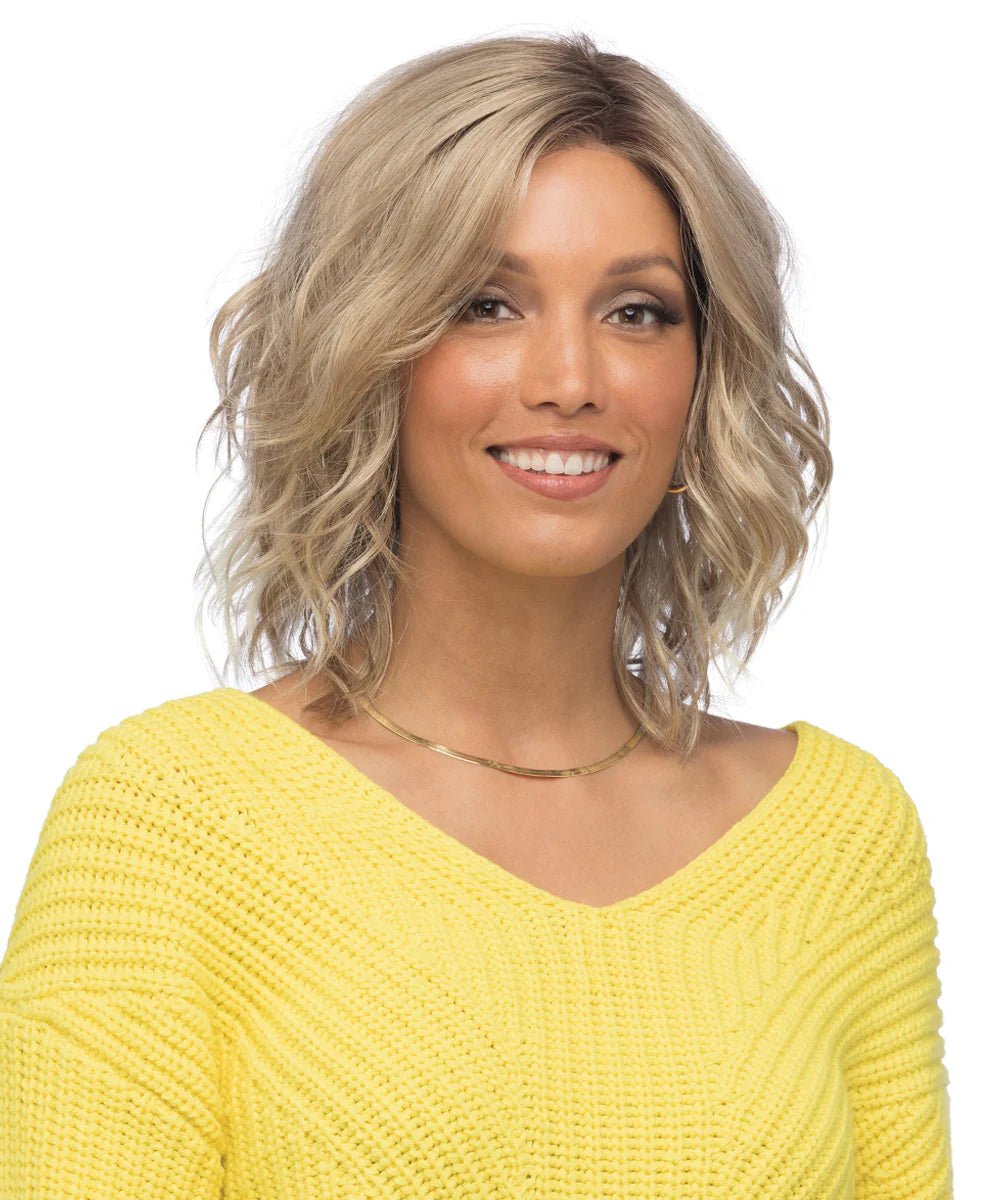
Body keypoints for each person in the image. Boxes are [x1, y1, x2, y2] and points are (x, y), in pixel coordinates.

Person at [0, 29, 953, 1199]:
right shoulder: (174, 820)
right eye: (486, 304)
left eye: (637, 312)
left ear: (706, 368)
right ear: (369, 346)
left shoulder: (837, 837)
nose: (569, 381)